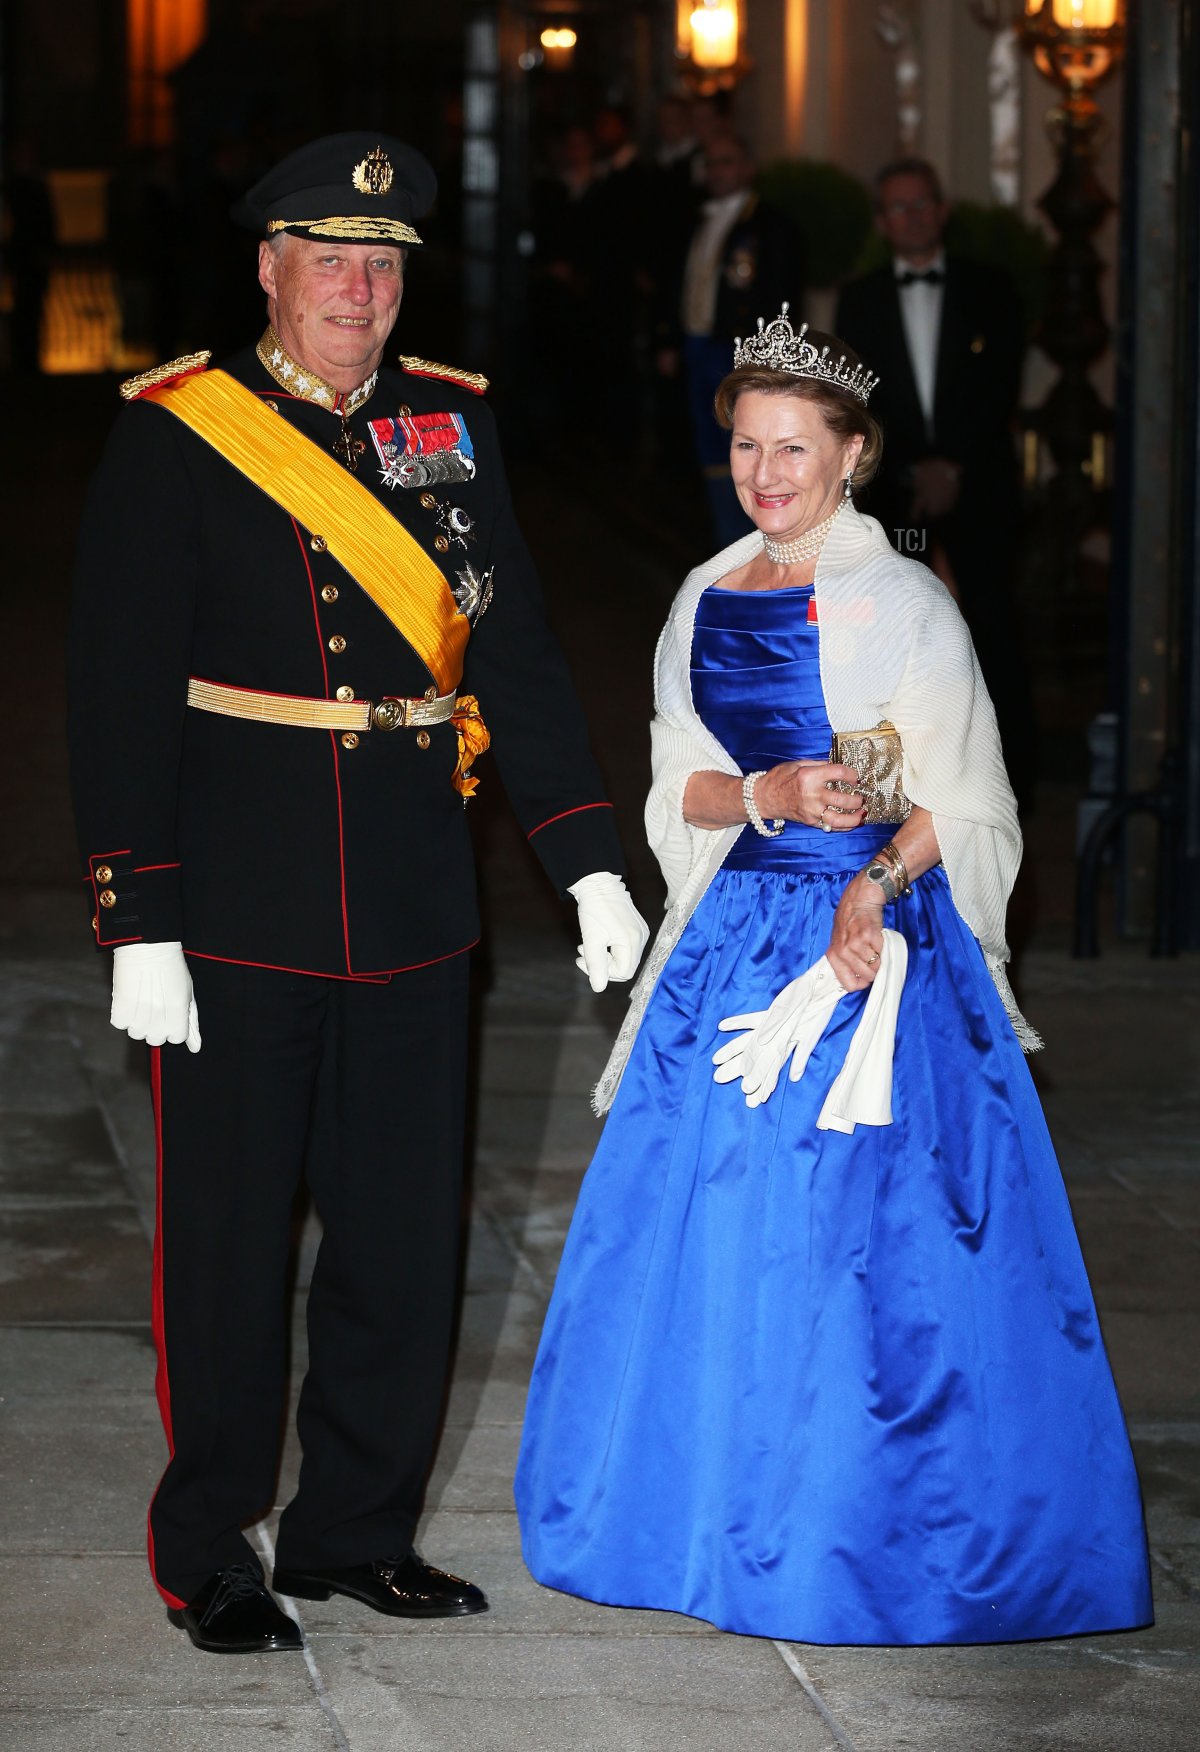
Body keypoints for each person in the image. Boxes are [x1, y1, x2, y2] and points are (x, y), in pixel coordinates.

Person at [66, 131, 648, 1655]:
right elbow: (118, 689)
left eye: (383, 267)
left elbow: (509, 656)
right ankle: (211, 1549)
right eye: (331, 261)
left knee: (401, 1239)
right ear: (269, 270)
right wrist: (139, 917)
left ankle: (353, 1532)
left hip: (410, 898)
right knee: (229, 1248)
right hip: (238, 908)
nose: (360, 291)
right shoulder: (179, 428)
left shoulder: (449, 429)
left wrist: (585, 852)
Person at [515, 310, 1152, 1645]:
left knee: (863, 1242)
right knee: (713, 1225)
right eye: (747, 446)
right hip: (735, 941)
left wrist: (872, 884)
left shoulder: (906, 601)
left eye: (793, 449)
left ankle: (853, 1532)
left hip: (875, 946)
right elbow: (670, 784)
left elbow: (969, 798)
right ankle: (700, 1516)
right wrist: (760, 789)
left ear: (853, 455)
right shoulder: (702, 593)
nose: (766, 474)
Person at [835, 156, 1036, 809]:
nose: (913, 217)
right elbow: (861, 401)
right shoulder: (858, 298)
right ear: (881, 222)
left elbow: (997, 385)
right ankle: (903, 788)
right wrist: (913, 469)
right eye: (899, 207)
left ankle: (1007, 784)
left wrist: (954, 465)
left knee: (989, 622)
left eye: (922, 204)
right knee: (900, 631)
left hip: (978, 487)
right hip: (899, 498)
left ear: (942, 210)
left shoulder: (991, 288)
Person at [656, 135, 804, 548]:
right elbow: (677, 283)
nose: (718, 171)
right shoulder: (694, 219)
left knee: (746, 444)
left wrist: (767, 362)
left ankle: (757, 538)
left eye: (727, 162)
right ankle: (725, 536)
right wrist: (669, 339)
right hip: (697, 344)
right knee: (708, 445)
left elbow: (783, 300)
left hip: (740, 352)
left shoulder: (771, 225)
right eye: (712, 163)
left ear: (748, 168)